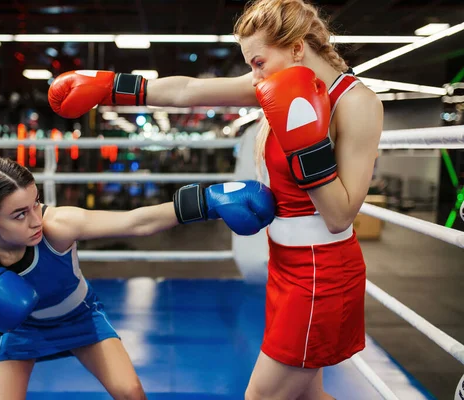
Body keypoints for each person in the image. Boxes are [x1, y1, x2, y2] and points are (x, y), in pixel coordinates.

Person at [47, 0, 384, 398]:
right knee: (307, 395)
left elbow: (341, 215)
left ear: (297, 48)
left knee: (261, 396)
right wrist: (108, 86)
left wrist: (306, 148)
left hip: (321, 273)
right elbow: (188, 90)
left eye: (259, 62)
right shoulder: (276, 84)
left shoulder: (356, 103)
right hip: (286, 263)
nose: (254, 75)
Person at [0, 156, 275, 400]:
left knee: (131, 393)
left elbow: (135, 222)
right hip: (22, 332)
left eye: (36, 204)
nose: (35, 219)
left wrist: (205, 201)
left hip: (80, 318)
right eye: (20, 214)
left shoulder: (59, 226)